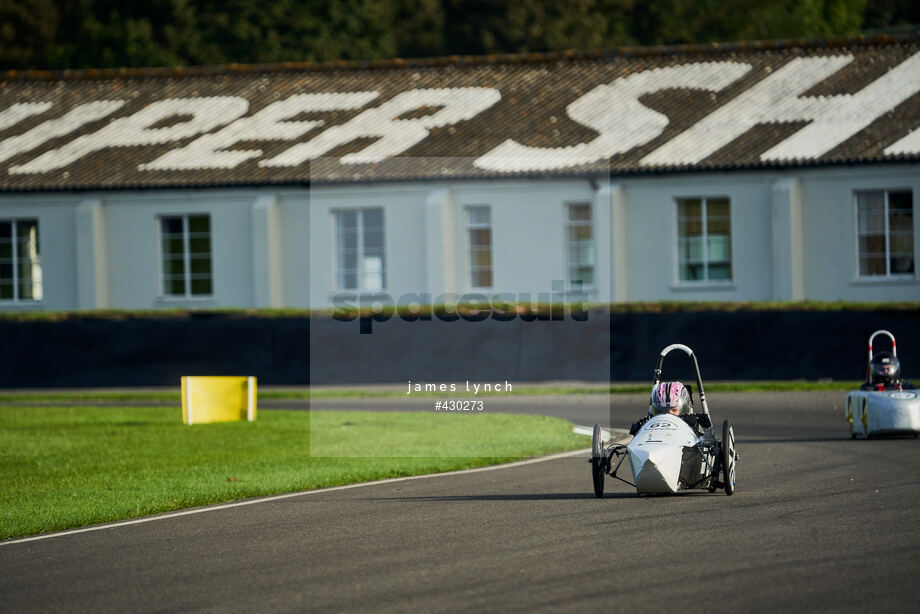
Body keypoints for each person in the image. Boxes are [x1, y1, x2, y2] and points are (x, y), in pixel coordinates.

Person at [630, 381, 710, 435]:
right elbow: (633, 432)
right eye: (662, 411)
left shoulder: (692, 420)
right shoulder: (648, 421)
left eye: (674, 410)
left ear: (685, 407)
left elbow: (707, 425)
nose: (669, 414)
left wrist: (695, 423)